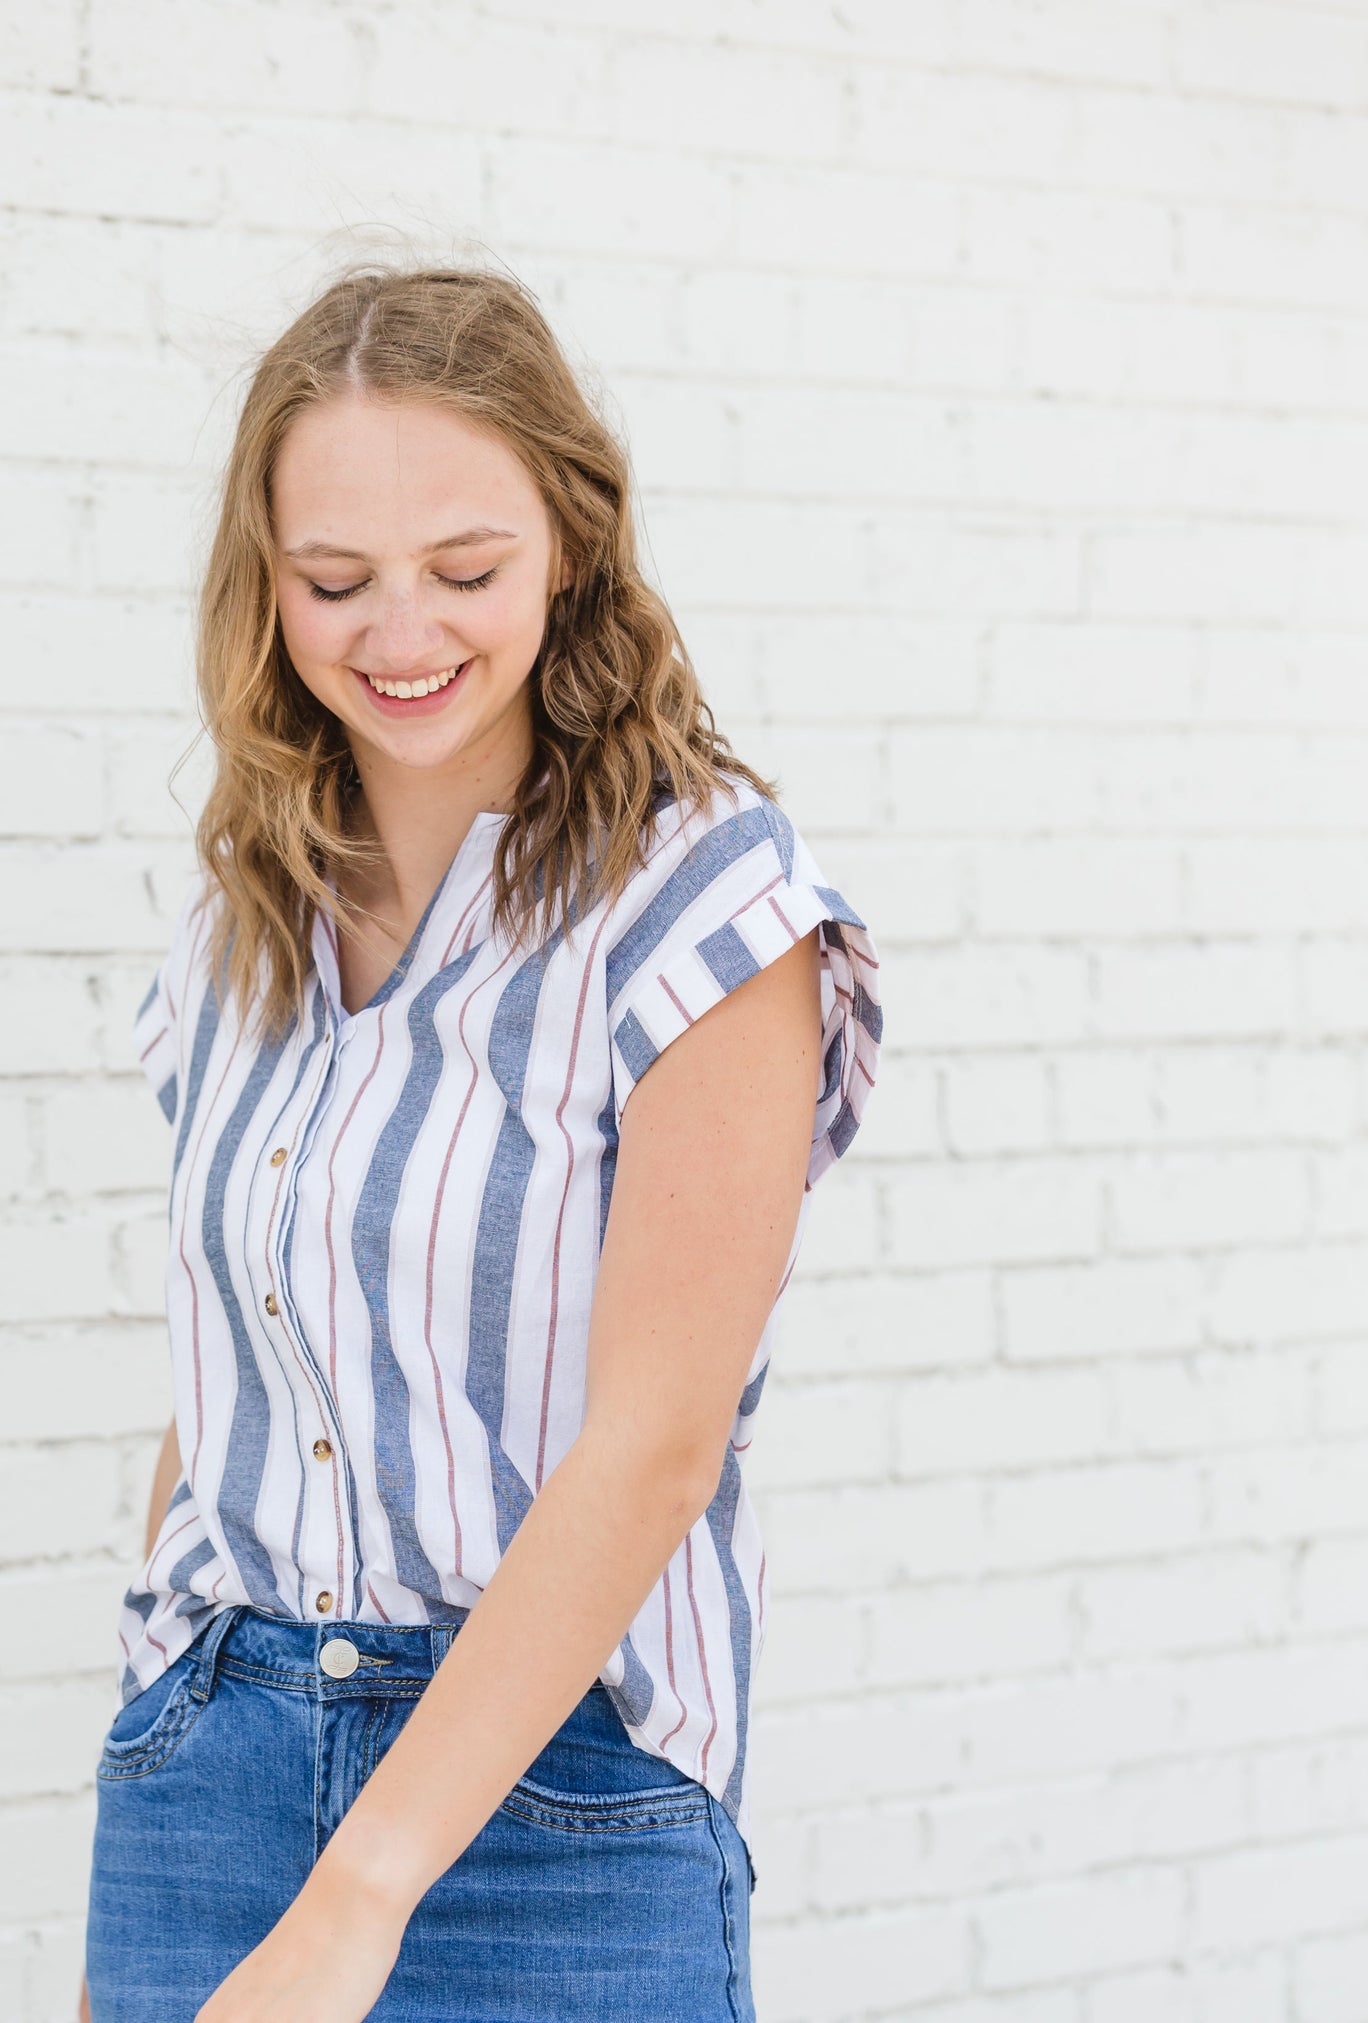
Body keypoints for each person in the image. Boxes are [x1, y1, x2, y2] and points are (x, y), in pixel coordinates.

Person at [81, 262, 882, 2023]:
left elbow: (655, 1447)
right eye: (334, 581)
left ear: (569, 546)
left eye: (464, 571)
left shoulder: (701, 900)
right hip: (204, 1779)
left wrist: (360, 1895)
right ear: (264, 579)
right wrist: (151, 1683)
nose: (401, 634)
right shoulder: (242, 923)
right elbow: (234, 1365)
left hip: (555, 1809)